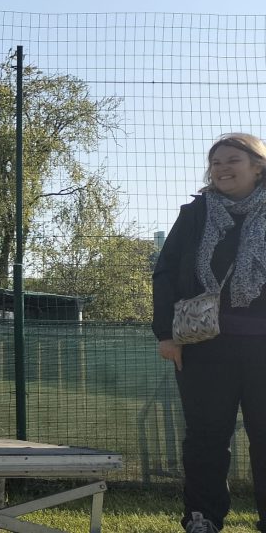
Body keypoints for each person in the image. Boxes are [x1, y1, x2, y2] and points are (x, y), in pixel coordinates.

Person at [153, 133, 266, 533]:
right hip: (204, 346)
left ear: (258, 167)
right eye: (216, 162)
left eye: (233, 160)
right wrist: (165, 335)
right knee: (206, 438)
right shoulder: (195, 214)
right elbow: (165, 272)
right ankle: (202, 518)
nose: (221, 168)